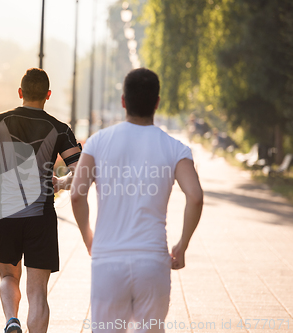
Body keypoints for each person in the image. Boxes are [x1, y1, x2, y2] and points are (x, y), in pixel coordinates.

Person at [71, 68, 204, 333]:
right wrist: (182, 245)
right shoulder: (175, 148)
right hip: (153, 261)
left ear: (123, 101)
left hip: (107, 260)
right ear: (157, 102)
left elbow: (76, 194)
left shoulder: (97, 143)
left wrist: (88, 237)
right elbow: (196, 197)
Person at [0, 68, 81, 333]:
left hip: (5, 212)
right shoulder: (59, 128)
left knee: (8, 276)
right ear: (48, 95)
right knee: (38, 292)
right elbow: (82, 169)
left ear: (20, 93)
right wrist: (63, 182)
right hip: (40, 215)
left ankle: (11, 320)